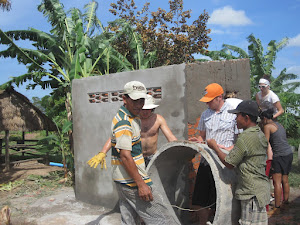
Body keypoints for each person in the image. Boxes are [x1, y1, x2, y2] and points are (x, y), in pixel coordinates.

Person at [89, 81, 180, 225]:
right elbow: (125, 156)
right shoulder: (125, 122)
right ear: (125, 99)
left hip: (129, 173)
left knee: (128, 217)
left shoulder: (134, 117)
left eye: (141, 101)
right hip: (131, 177)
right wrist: (141, 184)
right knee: (162, 218)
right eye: (135, 100)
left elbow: (171, 139)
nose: (139, 105)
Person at [207, 100, 270, 225]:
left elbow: (230, 163)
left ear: (246, 118)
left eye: (237, 116)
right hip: (259, 189)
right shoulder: (258, 133)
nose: (235, 119)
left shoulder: (245, 137)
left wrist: (215, 147)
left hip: (251, 193)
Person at [189, 83, 238, 224]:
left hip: (225, 162)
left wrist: (230, 149)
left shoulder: (233, 113)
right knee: (200, 198)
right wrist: (197, 141)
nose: (208, 104)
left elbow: (239, 140)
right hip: (207, 161)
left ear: (219, 98)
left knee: (223, 197)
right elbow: (201, 136)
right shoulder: (205, 114)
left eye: (210, 100)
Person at [88, 94, 177, 169]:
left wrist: (180, 150)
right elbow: (114, 137)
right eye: (143, 109)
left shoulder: (158, 119)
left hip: (152, 157)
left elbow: (171, 138)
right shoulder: (131, 120)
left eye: (148, 110)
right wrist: (103, 152)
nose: (145, 112)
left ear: (152, 109)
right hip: (136, 158)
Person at [260, 108, 293, 211]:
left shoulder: (268, 126)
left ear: (265, 118)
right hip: (288, 153)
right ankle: (286, 201)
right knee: (285, 179)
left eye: (261, 119)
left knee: (276, 181)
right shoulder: (279, 125)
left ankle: (277, 206)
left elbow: (265, 143)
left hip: (278, 156)